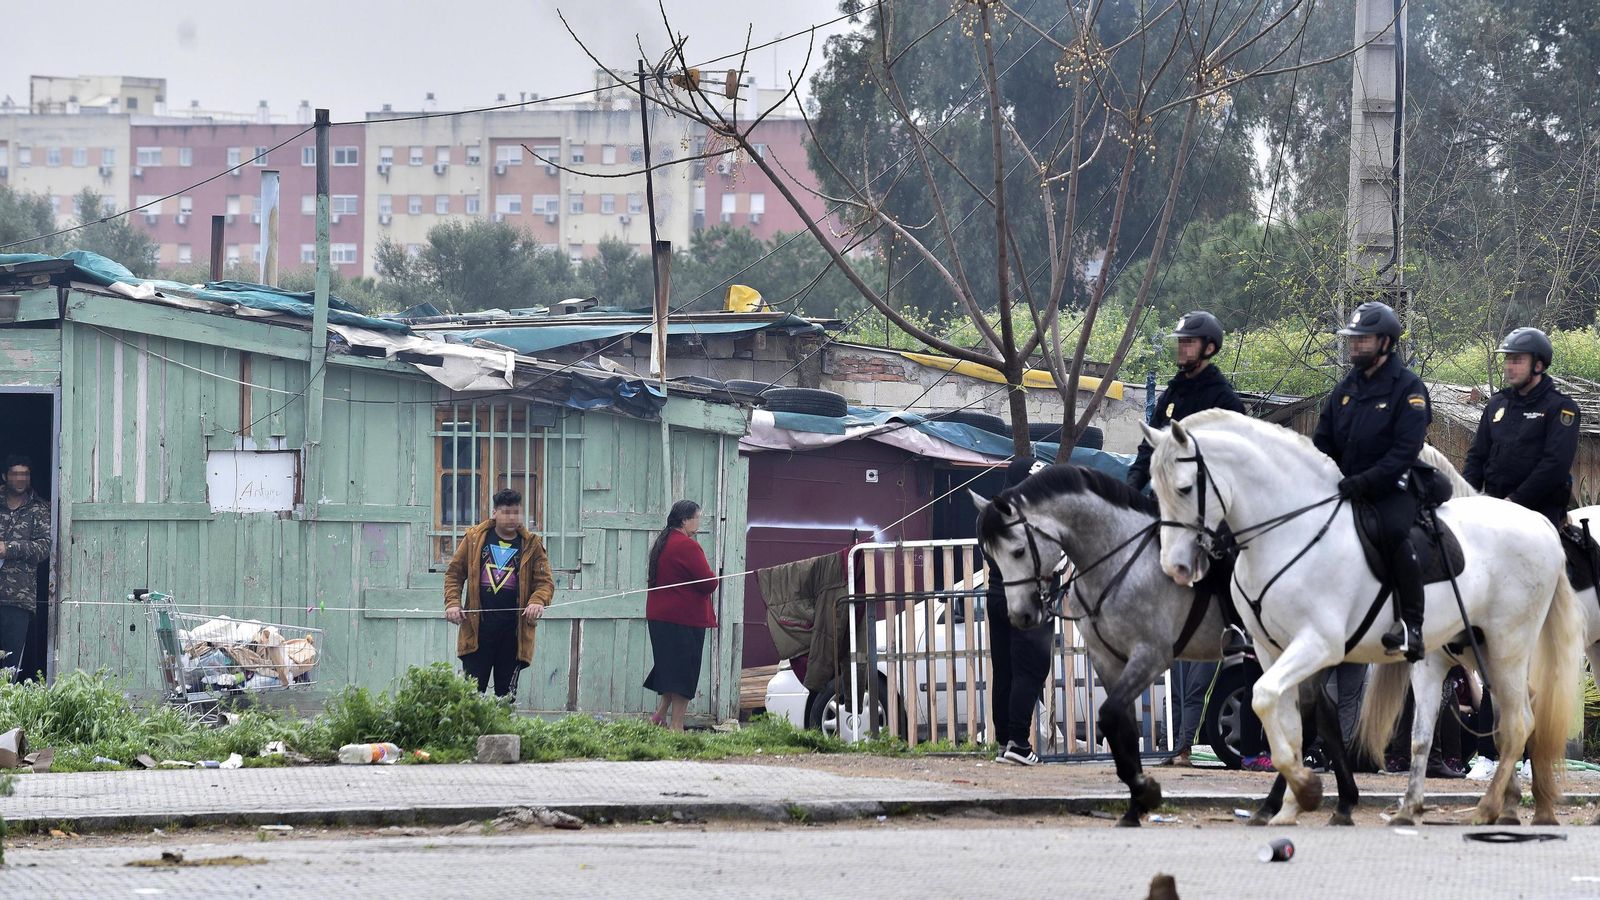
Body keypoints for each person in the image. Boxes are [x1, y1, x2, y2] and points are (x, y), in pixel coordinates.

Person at [1127, 311, 1247, 764]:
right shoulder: (1174, 393)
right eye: (1180, 341)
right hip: (1173, 505)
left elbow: (1235, 455)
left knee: (1222, 566)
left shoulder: (1221, 396)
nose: (1181, 347)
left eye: (1189, 342)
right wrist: (1133, 482)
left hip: (1208, 512)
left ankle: (1234, 623)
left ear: (1209, 347)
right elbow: (1150, 446)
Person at [1313, 300, 1431, 662]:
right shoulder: (1345, 388)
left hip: (1389, 489)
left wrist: (1364, 482)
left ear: (1385, 343)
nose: (1354, 345)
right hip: (1345, 487)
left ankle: (1412, 626)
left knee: (1394, 533)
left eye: (1362, 340)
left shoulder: (1408, 388)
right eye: (1352, 339)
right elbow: (1323, 440)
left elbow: (1404, 452)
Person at [443, 488, 554, 698]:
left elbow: (545, 582)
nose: (512, 517)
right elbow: (454, 574)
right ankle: (471, 732)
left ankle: (504, 731)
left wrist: (537, 601)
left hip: (514, 632)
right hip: (478, 630)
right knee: (470, 695)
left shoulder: (532, 544)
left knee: (506, 697)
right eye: (506, 512)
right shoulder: (475, 538)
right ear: (494, 513)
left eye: (516, 512)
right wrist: (452, 604)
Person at [1463, 327, 1579, 525]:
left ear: (1538, 365)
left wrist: (1516, 500)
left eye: (1517, 360)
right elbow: (1477, 457)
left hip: (1539, 511)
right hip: (1492, 506)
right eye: (1507, 359)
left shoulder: (1561, 407)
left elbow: (1555, 464)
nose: (1509, 366)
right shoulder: (1496, 404)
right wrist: (1463, 498)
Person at [985, 456, 1054, 766]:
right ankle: (1019, 743)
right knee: (1030, 669)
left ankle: (1004, 742)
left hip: (996, 595)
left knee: (1005, 671)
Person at [644, 500, 718, 731]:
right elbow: (709, 583)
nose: (700, 521)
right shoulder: (687, 546)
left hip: (661, 617)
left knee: (670, 667)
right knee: (683, 673)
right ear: (685, 520)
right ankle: (676, 727)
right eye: (698, 517)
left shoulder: (663, 542)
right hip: (683, 619)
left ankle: (659, 716)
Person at [0, 455, 50, 679]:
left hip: (18, 599)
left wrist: (8, 548)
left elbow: (44, 547)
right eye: (15, 474)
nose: (20, 479)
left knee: (10, 666)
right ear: (5, 476)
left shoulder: (38, 509)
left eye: (25, 474)